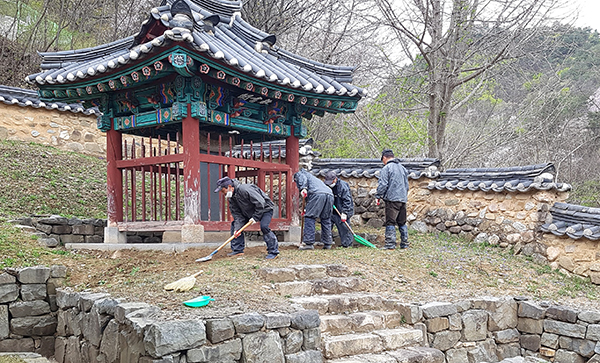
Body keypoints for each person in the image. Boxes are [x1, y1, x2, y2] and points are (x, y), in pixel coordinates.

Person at [214, 177, 279, 259]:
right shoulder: (232, 198)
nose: (223, 193)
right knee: (235, 225)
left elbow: (260, 203)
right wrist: (237, 229)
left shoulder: (245, 189)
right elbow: (237, 215)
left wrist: (255, 217)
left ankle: (273, 252)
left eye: (223, 191)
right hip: (249, 212)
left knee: (264, 227)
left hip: (265, 209)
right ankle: (238, 250)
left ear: (230, 187)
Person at [375, 149, 409, 250]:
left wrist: (378, 196)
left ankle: (390, 244)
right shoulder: (403, 168)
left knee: (390, 221)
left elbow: (383, 184)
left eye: (383, 160)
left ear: (384, 158)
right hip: (402, 199)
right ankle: (405, 243)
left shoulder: (387, 168)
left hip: (392, 199)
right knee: (402, 222)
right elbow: (407, 186)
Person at [293, 169, 334, 250]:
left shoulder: (299, 173)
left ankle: (309, 243)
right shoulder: (314, 178)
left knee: (309, 217)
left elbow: (302, 179)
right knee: (326, 219)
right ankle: (327, 243)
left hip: (317, 194)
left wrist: (302, 188)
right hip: (329, 194)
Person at [324, 171, 355, 248]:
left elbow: (347, 201)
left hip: (342, 210)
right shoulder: (327, 185)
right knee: (327, 226)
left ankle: (347, 245)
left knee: (344, 227)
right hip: (332, 209)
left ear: (335, 179)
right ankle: (327, 244)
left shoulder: (343, 186)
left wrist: (345, 213)